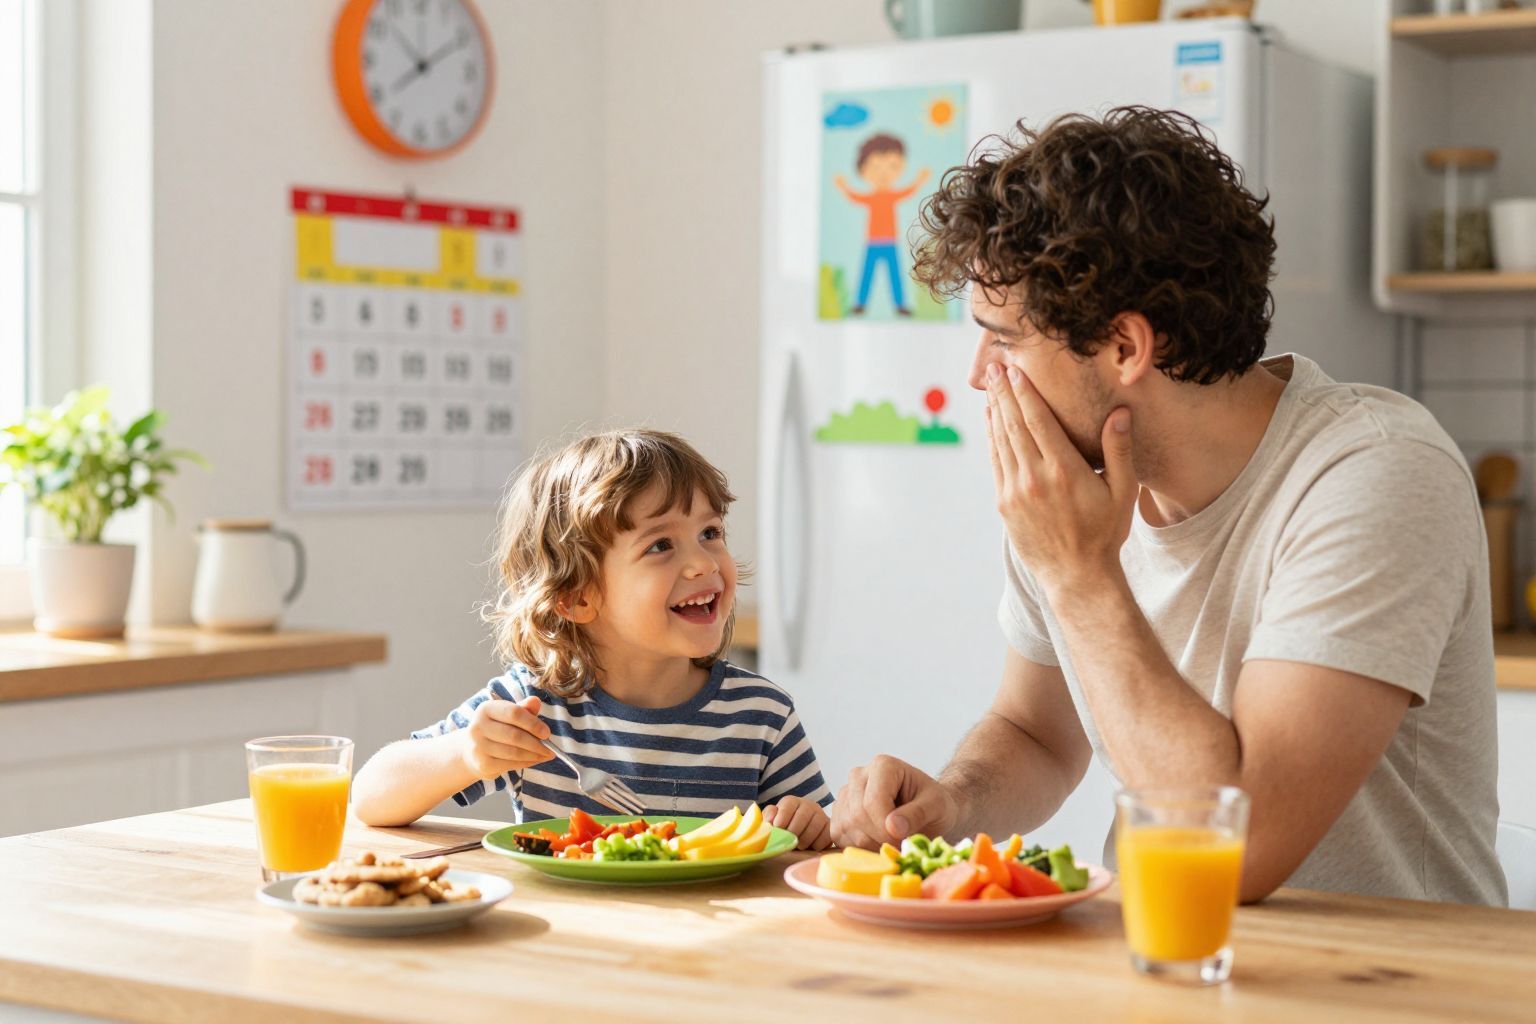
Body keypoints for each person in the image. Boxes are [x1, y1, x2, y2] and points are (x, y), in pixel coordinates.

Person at [831, 106, 1506, 905]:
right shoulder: (1071, 486)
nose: (980, 374)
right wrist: (954, 803)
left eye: (1003, 338)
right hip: (1160, 953)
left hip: (1386, 971)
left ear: (1125, 347)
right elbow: (1037, 734)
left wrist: (1080, 574)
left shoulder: (1376, 471)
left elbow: (1237, 847)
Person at [353, 429, 834, 850]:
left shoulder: (761, 715)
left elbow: (822, 842)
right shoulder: (535, 708)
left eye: (710, 532)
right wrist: (464, 754)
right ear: (577, 597)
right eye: (661, 545)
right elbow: (370, 797)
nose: (704, 563)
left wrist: (810, 826)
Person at [834, 133, 931, 316]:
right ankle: (860, 304)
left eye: (892, 167)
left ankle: (900, 305)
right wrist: (842, 186)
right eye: (876, 167)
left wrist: (920, 180)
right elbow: (854, 197)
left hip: (890, 242)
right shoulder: (871, 197)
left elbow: (908, 191)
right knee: (867, 274)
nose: (883, 174)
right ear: (862, 170)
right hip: (872, 242)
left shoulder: (892, 196)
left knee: (895, 275)